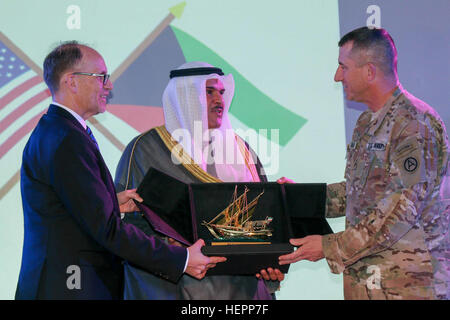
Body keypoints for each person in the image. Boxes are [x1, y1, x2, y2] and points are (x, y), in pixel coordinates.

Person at [16, 42, 224, 300]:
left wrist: (110, 203)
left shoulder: (57, 130)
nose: (109, 86)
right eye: (101, 77)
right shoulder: (67, 139)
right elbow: (107, 230)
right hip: (71, 288)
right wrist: (181, 259)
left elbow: (68, 208)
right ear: (72, 82)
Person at [279, 27, 450, 299]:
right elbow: (360, 193)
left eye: (343, 67)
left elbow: (401, 209)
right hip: (367, 283)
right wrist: (299, 198)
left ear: (369, 72)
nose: (337, 77)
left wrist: (329, 246)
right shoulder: (366, 122)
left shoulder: (414, 123)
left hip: (408, 286)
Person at [115, 61, 283, 300]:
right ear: (185, 96)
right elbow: (124, 228)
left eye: (222, 92)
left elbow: (261, 225)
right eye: (209, 92)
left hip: (242, 293)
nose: (219, 101)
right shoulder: (146, 149)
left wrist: (270, 264)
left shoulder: (241, 151)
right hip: (174, 290)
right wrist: (179, 252)